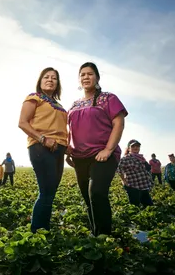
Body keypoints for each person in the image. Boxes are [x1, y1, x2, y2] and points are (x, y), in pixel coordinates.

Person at [66, 62, 127, 236]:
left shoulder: (108, 98)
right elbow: (71, 128)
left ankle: (104, 239)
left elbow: (119, 123)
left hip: (103, 155)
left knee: (97, 194)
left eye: (90, 74)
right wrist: (70, 148)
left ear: (97, 78)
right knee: (88, 198)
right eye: (82, 74)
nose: (86, 77)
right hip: (79, 157)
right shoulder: (74, 104)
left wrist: (108, 149)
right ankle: (96, 236)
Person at [18, 67, 68, 233]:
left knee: (51, 192)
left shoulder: (59, 105)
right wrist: (42, 139)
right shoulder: (34, 97)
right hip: (41, 146)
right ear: (40, 81)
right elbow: (23, 123)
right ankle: (37, 233)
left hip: (59, 148)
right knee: (46, 191)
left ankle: (44, 230)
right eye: (46, 77)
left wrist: (67, 149)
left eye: (54, 78)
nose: (50, 80)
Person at [117, 140, 154, 207]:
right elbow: (119, 170)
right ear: (129, 148)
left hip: (144, 186)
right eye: (133, 146)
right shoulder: (125, 158)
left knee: (149, 206)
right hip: (133, 186)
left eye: (137, 146)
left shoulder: (141, 158)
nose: (135, 147)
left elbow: (146, 170)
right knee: (135, 206)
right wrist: (123, 180)